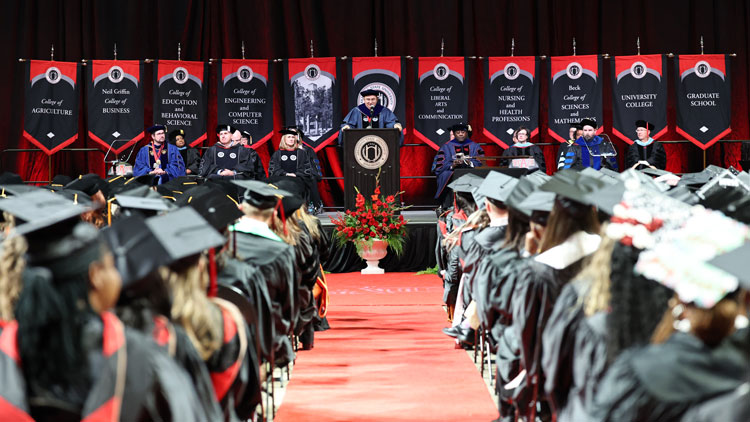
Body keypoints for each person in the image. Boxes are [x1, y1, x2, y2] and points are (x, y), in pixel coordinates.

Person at [431, 122, 485, 208]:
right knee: (445, 176)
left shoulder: (475, 146)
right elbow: (439, 167)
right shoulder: (446, 147)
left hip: (470, 174)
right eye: (458, 132)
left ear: (466, 133)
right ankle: (449, 208)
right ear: (454, 134)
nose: (460, 134)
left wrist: (468, 162)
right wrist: (453, 164)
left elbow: (481, 162)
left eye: (463, 132)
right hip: (452, 175)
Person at [268, 127, 323, 210]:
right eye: (289, 137)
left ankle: (307, 207)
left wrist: (295, 174)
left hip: (298, 179)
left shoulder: (302, 153)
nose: (291, 139)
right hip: (282, 180)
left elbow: (306, 169)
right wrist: (286, 174)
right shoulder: (277, 154)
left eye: (293, 137)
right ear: (284, 139)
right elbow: (273, 170)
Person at [199, 124, 266, 181]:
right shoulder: (211, 150)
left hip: (237, 183)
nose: (223, 136)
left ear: (232, 136)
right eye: (221, 134)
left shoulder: (244, 151)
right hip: (216, 183)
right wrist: (220, 172)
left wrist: (233, 172)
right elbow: (205, 168)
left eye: (226, 133)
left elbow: (248, 167)